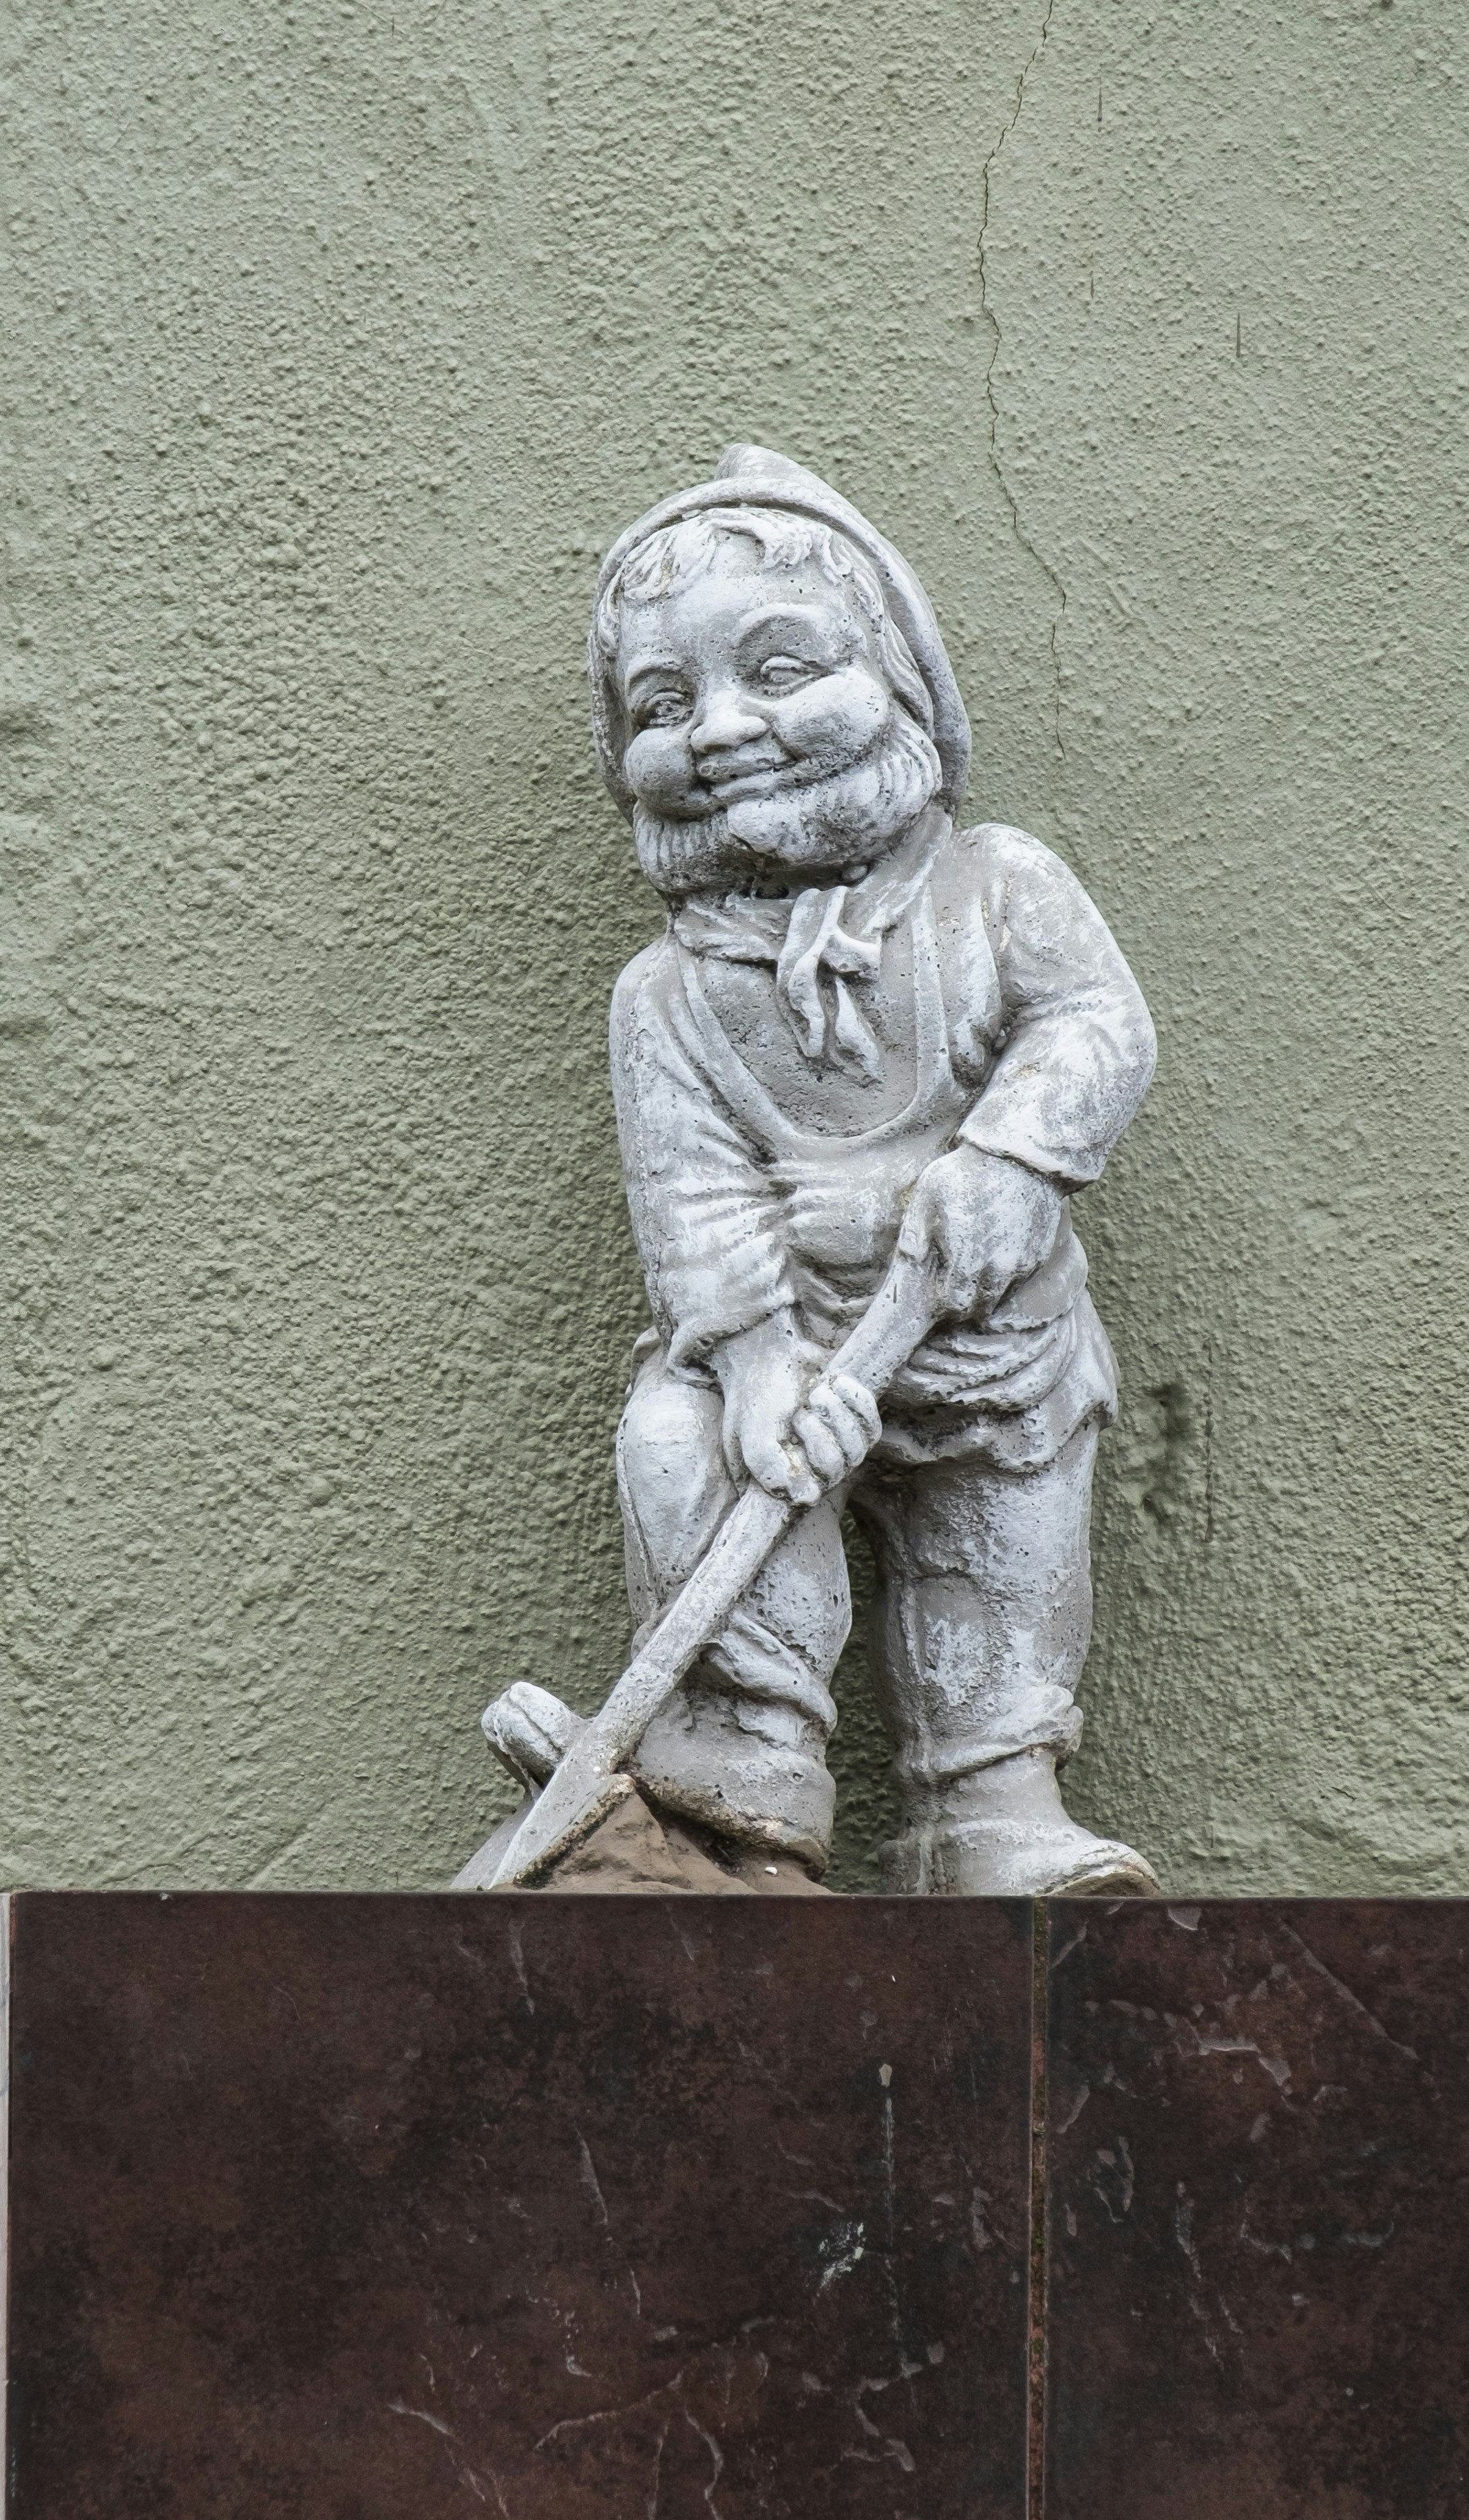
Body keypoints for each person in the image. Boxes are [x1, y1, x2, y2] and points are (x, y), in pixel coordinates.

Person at [578, 445, 1159, 1895]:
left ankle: (987, 1807)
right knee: (685, 1452)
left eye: (777, 671)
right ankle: (743, 1800)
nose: (718, 732)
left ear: (900, 679)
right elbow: (693, 1203)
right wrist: (762, 1360)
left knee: (1004, 1535)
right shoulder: (667, 995)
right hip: (779, 1346)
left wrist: (1011, 1161)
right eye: (663, 705)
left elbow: (1096, 1024)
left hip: (983, 1337)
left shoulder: (996, 889)